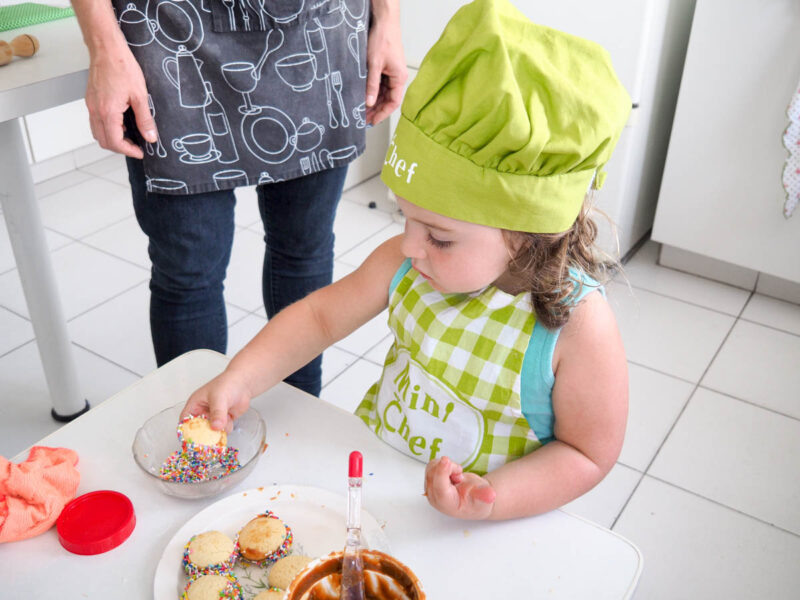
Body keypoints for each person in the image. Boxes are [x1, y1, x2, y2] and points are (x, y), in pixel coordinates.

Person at [181, 0, 630, 520]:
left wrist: (488, 501)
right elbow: (318, 317)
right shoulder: (406, 261)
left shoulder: (576, 327)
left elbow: (587, 454)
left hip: (489, 525)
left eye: (439, 237)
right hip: (375, 485)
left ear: (527, 235)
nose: (411, 246)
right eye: (405, 219)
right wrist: (240, 378)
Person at [70, 0, 407, 396]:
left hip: (318, 28)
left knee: (303, 250)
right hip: (169, 33)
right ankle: (198, 440)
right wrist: (104, 46)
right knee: (187, 273)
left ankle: (296, 414)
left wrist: (387, 17)